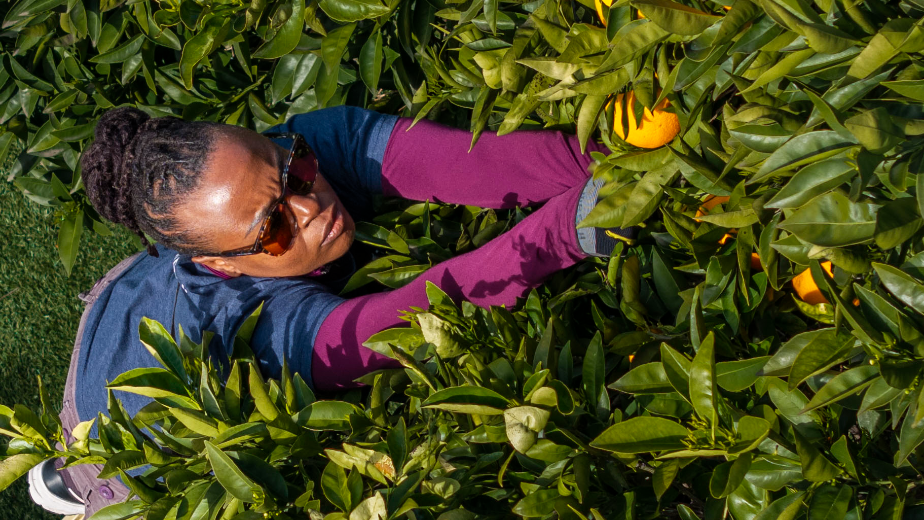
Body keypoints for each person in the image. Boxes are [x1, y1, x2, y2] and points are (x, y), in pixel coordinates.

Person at [48, 105, 631, 515]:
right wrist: (574, 229)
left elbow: (491, 162)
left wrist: (631, 161)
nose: (311, 206)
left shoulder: (311, 146)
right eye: (274, 226)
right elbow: (410, 315)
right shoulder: (254, 333)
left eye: (293, 170)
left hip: (141, 287)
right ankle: (69, 483)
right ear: (224, 266)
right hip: (123, 433)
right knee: (92, 475)